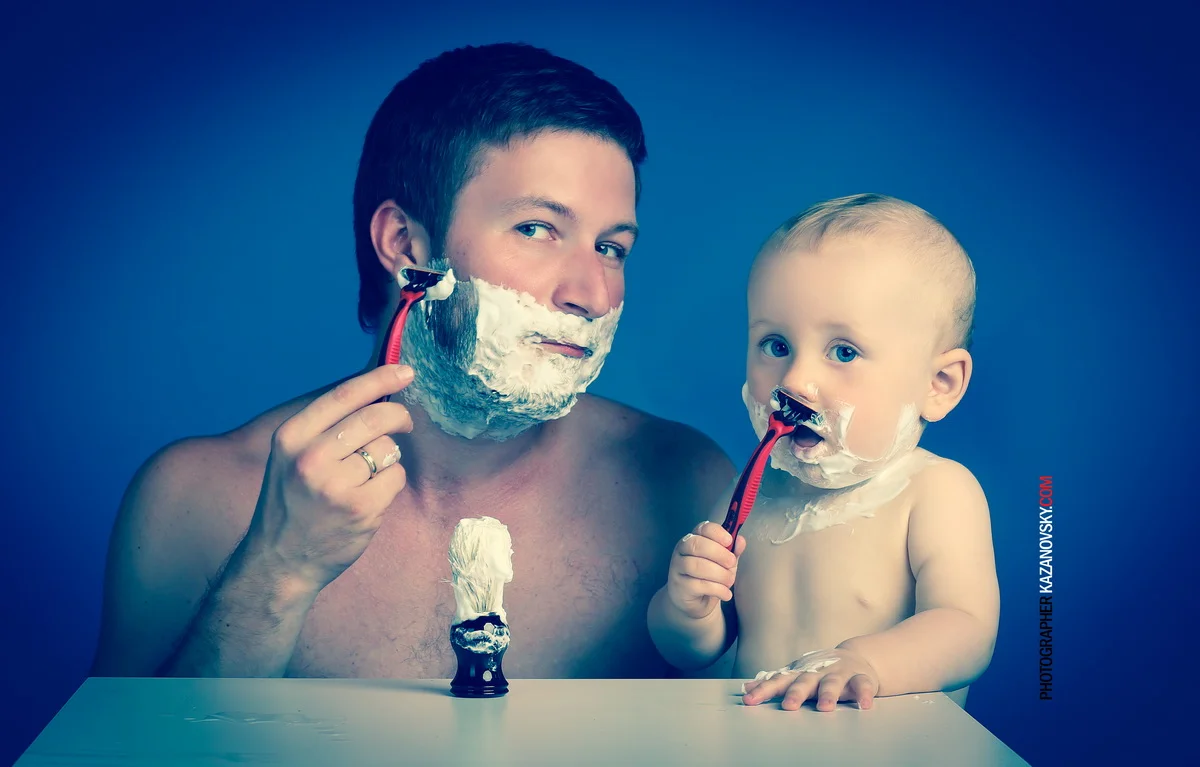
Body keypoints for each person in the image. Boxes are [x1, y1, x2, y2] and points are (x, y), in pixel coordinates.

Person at [92, 43, 734, 679]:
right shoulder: (196, 500)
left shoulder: (686, 487)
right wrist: (277, 571)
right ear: (405, 245)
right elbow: (127, 740)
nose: (591, 294)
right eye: (536, 229)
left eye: (611, 248)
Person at [647, 194, 999, 710]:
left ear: (938, 384)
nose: (794, 380)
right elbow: (691, 653)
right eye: (776, 345)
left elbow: (967, 630)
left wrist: (867, 663)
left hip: (885, 744)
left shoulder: (935, 492)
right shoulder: (748, 496)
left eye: (844, 352)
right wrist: (688, 609)